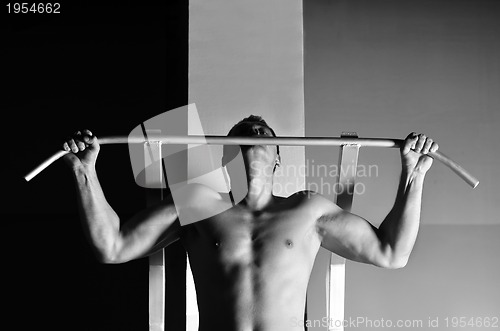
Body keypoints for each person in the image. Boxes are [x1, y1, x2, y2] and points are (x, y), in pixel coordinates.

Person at [63, 116, 438, 331]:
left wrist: (413, 175)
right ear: (228, 155)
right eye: (245, 134)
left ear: (278, 157)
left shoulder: (307, 210)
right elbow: (111, 246)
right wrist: (85, 173)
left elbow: (393, 252)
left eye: (265, 135)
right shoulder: (198, 207)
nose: (255, 135)